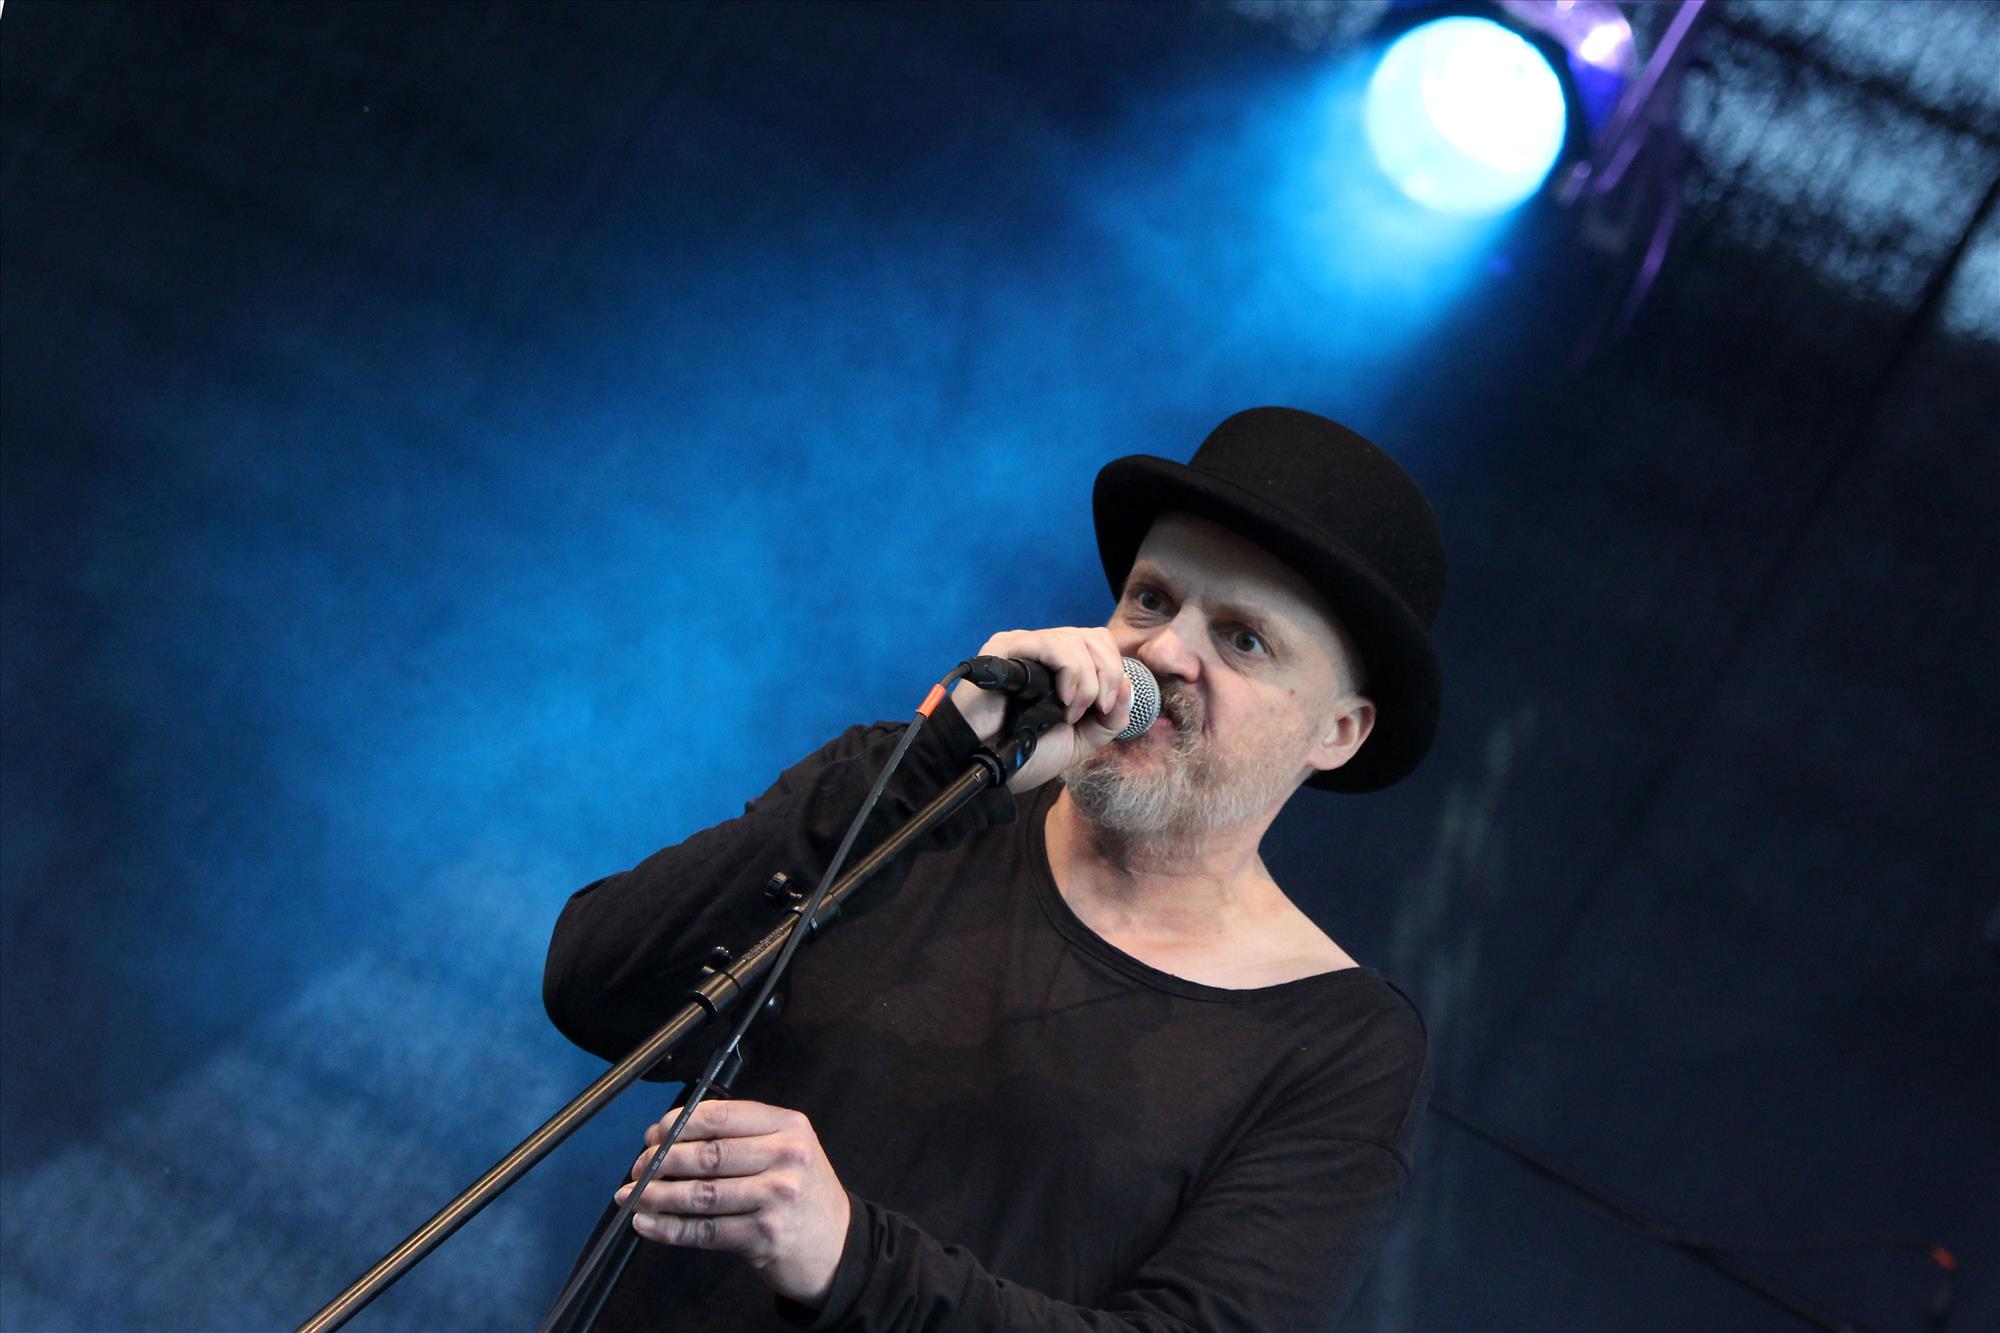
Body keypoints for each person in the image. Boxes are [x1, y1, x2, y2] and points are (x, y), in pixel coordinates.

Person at [543, 406, 1447, 1331]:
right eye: (1151, 599)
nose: (1165, 650)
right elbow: (591, 986)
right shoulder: (911, 798)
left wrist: (851, 1258)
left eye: (1243, 637)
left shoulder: (1340, 1043)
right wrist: (929, 768)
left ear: (1338, 731)